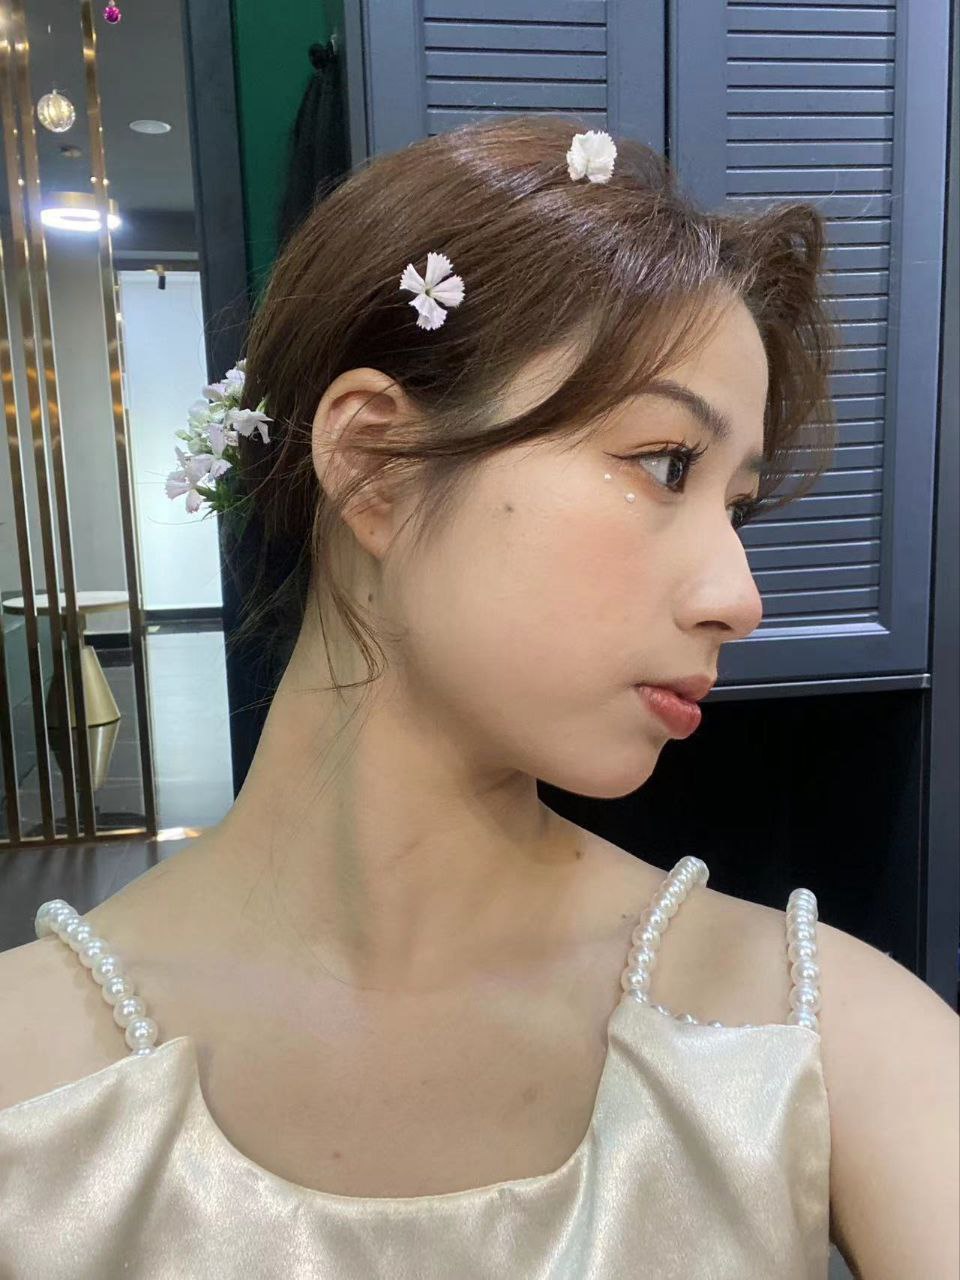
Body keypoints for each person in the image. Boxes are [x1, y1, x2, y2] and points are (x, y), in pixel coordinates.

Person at [1, 116, 956, 1279]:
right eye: (665, 465)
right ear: (374, 466)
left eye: (738, 504)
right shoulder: (31, 1088)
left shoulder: (817, 1037)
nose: (739, 598)